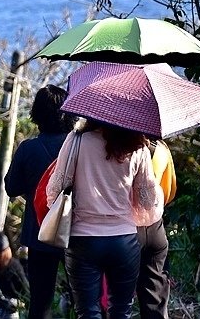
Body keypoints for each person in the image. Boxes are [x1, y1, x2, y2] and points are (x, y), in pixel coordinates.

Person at [46, 120, 159, 319]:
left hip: (83, 239)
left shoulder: (77, 140)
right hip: (124, 240)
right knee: (121, 312)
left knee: (88, 312)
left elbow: (56, 190)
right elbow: (148, 201)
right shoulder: (137, 145)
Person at [4, 85, 74, 319]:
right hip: (77, 231)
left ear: (37, 113)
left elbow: (11, 187)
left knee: (40, 303)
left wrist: (36, 190)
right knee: (85, 300)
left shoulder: (29, 148)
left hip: (40, 231)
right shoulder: (78, 147)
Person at [135, 138, 177, 319]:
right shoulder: (161, 149)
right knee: (155, 302)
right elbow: (169, 192)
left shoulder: (116, 145)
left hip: (123, 229)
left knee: (116, 301)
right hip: (154, 227)